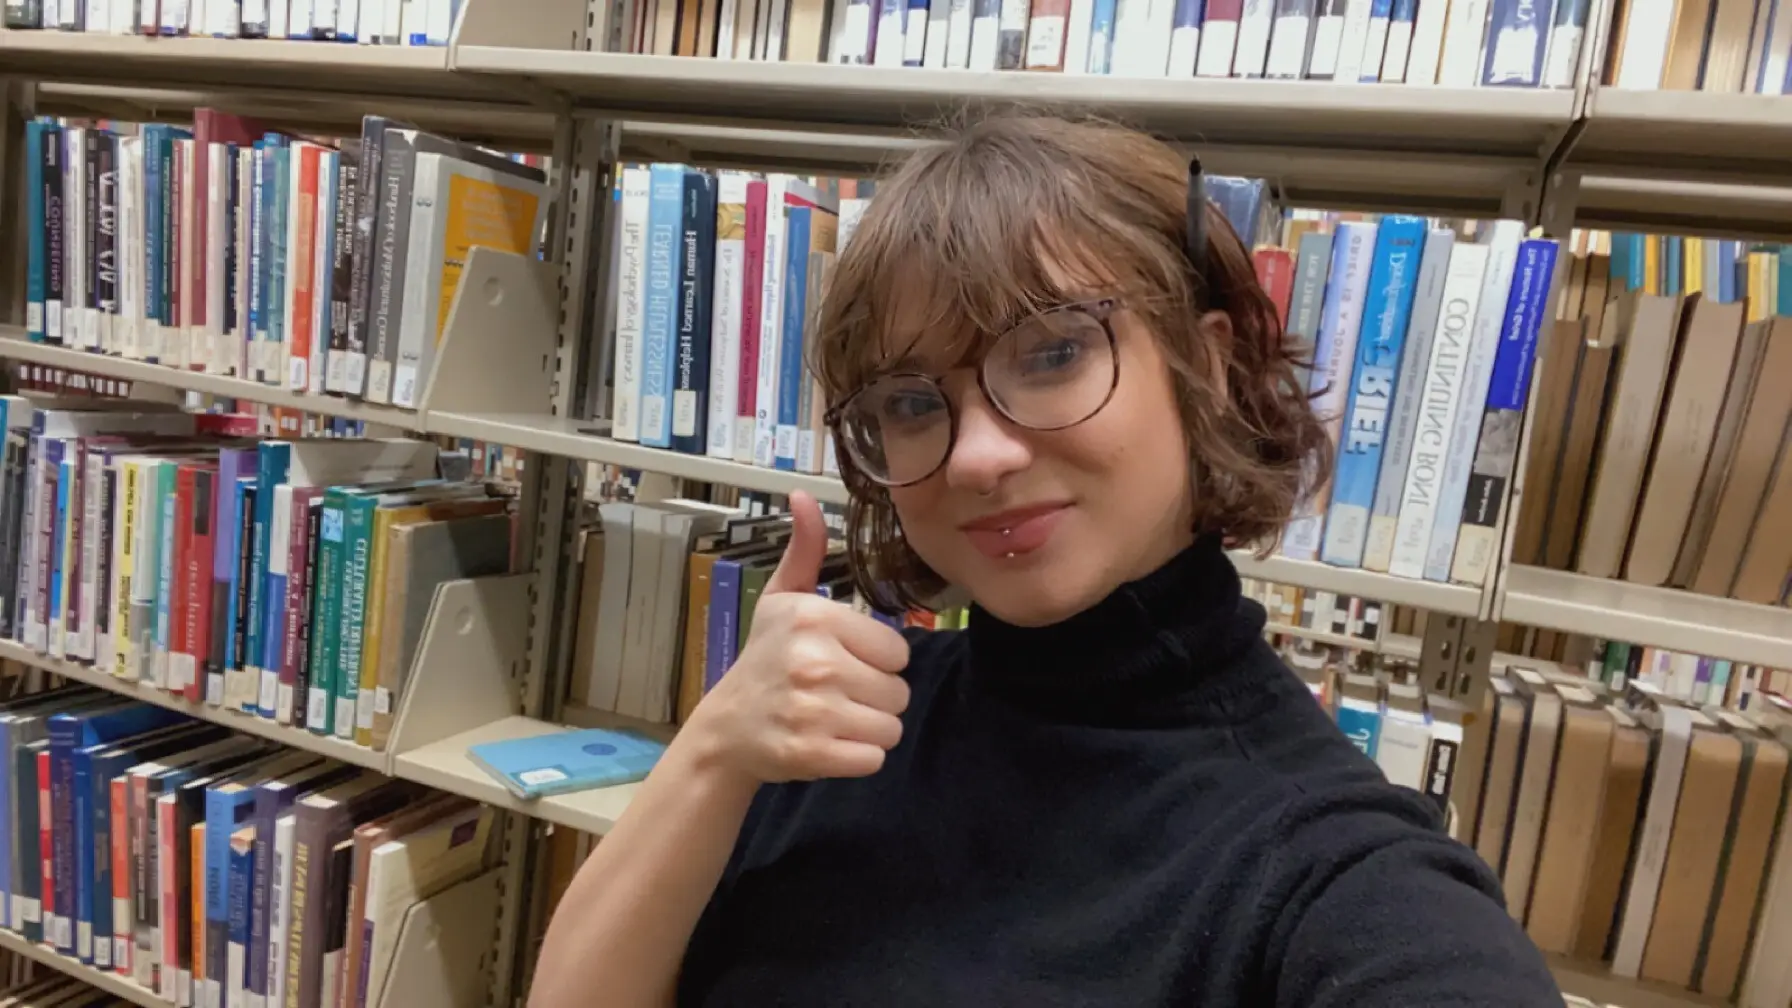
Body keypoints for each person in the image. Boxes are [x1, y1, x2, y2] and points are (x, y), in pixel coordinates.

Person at [530, 112, 1562, 1007]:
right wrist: (714, 750)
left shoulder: (1328, 865)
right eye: (910, 401)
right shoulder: (840, 720)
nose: (978, 454)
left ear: (1200, 361)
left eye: (1054, 352)